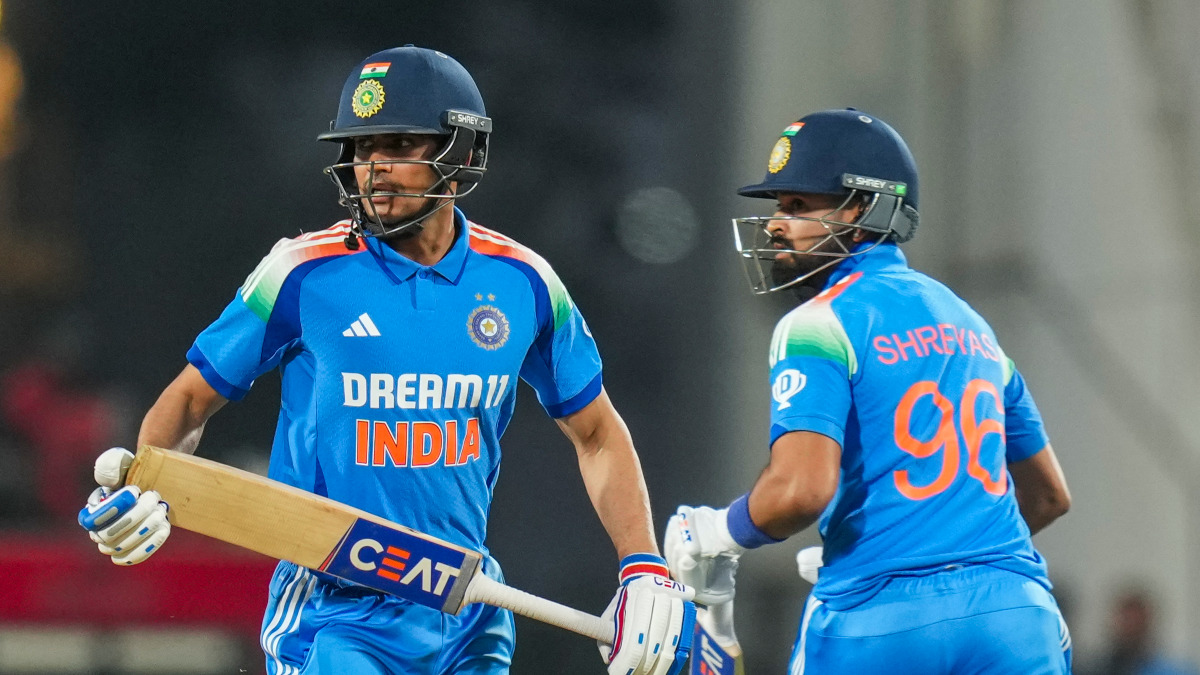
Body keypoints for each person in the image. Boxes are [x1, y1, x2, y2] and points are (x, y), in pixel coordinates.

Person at [77, 45, 693, 675]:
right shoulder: (301, 271)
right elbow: (189, 400)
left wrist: (642, 566)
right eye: (362, 148)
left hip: (469, 606)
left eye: (398, 145)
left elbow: (596, 433)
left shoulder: (525, 282)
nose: (373, 168)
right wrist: (151, 482)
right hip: (335, 610)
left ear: (461, 153)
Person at [662, 108, 1073, 673]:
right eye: (779, 206)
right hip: (1015, 618)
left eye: (797, 205)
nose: (777, 224)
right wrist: (930, 542)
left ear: (862, 209)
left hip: (878, 621)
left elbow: (800, 491)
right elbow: (1049, 497)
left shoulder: (817, 323)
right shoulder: (972, 324)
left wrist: (718, 532)